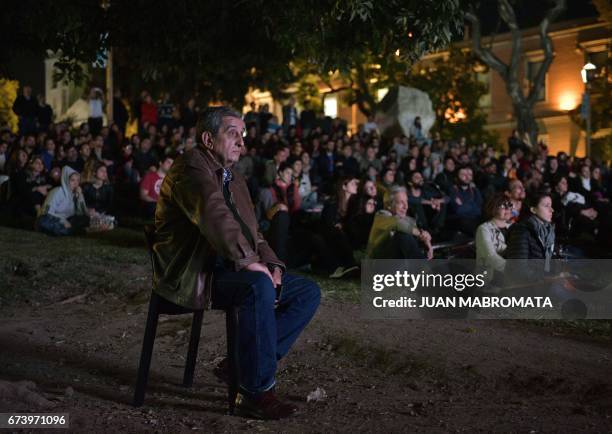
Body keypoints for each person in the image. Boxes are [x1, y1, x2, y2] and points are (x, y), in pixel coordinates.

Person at [152, 106, 320, 419]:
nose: (241, 142)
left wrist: (272, 265)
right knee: (258, 287)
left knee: (306, 292)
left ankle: (241, 365)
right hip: (193, 273)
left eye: (242, 135)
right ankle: (255, 392)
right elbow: (214, 215)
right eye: (233, 134)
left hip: (228, 268)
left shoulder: (235, 179)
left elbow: (253, 233)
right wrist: (249, 263)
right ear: (207, 138)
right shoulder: (190, 168)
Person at [367, 186, 433, 260]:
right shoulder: (381, 216)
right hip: (377, 267)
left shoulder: (404, 219)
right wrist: (420, 234)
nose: (406, 206)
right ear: (388, 205)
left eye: (406, 201)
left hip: (395, 265)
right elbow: (399, 224)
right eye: (401, 202)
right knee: (403, 235)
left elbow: (412, 228)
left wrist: (426, 240)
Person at [37, 166, 89, 235]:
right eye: (72, 180)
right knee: (44, 222)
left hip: (67, 220)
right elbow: (46, 212)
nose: (76, 183)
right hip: (52, 219)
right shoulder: (57, 191)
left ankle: (68, 231)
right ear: (66, 180)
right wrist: (62, 221)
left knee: (85, 219)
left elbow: (82, 213)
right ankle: (73, 231)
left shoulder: (77, 193)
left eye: (78, 180)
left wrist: (80, 197)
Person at [475, 194, 513, 283]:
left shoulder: (515, 227)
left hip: (512, 278)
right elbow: (490, 257)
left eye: (510, 205)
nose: (508, 209)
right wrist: (513, 270)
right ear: (493, 207)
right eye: (503, 206)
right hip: (491, 278)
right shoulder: (484, 229)